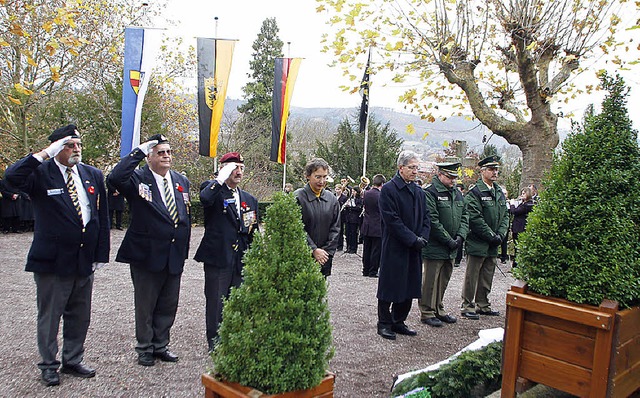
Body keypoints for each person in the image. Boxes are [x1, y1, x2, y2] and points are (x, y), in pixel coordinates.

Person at [4, 124, 110, 386]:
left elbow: (100, 217)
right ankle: (48, 364)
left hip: (83, 258)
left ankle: (73, 359)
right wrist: (42, 155)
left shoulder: (92, 174)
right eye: (70, 145)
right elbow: (10, 179)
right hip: (52, 260)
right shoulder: (41, 173)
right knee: (50, 315)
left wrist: (99, 254)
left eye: (79, 145)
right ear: (56, 147)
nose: (76, 150)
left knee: (80, 315)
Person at [107, 134, 191, 367]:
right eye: (161, 152)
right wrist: (139, 151)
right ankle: (144, 347)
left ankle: (161, 344)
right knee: (146, 304)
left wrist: (183, 249)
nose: (166, 156)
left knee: (168, 304)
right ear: (149, 157)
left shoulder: (181, 180)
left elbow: (185, 215)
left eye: (169, 152)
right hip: (147, 253)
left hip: (173, 254)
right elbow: (115, 177)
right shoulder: (137, 178)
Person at [194, 152, 259, 351]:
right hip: (218, 255)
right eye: (233, 168)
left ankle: (234, 337)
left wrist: (255, 255)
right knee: (216, 301)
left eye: (241, 168)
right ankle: (215, 342)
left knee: (237, 299)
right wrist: (220, 178)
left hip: (240, 258)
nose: (238, 172)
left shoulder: (249, 199)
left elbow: (252, 230)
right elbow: (205, 198)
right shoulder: (212, 190)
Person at [377, 150, 430, 340]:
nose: (416, 171)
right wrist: (412, 239)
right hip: (395, 246)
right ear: (401, 168)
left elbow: (426, 217)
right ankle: (384, 323)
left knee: (409, 286)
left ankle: (399, 321)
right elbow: (392, 221)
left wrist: (423, 236)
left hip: (414, 247)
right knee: (390, 286)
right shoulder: (389, 190)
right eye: (412, 167)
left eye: (417, 167)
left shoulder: (418, 191)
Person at [419, 163, 469, 327]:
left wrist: (460, 236)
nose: (453, 181)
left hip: (452, 246)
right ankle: (427, 311)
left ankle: (438, 308)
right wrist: (448, 239)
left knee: (444, 279)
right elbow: (432, 220)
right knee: (431, 280)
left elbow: (465, 216)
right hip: (436, 245)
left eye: (455, 177)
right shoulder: (430, 192)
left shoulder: (457, 194)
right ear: (440, 175)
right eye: (450, 177)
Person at [460, 155, 509, 319]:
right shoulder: (475, 193)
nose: (495, 172)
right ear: (482, 171)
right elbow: (475, 218)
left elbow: (505, 216)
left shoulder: (499, 192)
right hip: (478, 241)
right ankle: (467, 305)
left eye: (496, 169)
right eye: (491, 169)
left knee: (487, 275)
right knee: (472, 276)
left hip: (493, 242)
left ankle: (483, 304)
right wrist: (490, 235)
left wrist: (501, 235)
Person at [294, 158, 341, 277]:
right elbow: (296, 228)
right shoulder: (298, 197)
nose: (322, 181)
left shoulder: (332, 199)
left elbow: (335, 228)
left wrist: (325, 253)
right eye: (318, 177)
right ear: (308, 176)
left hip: (324, 258)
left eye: (325, 177)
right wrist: (313, 249)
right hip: (302, 258)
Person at [361, 174, 385, 277]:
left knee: (366, 249)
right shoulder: (381, 196)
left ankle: (365, 270)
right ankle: (373, 271)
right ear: (382, 184)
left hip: (366, 225)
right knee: (376, 250)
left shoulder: (366, 193)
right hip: (377, 226)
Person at [508, 186, 535, 268]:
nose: (522, 195)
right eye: (522, 193)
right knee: (516, 247)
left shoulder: (528, 205)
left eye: (524, 193)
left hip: (521, 228)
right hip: (517, 227)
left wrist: (512, 204)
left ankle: (517, 266)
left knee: (519, 247)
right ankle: (515, 265)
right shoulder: (523, 203)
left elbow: (515, 212)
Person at [343, 186, 363, 254]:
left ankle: (353, 248)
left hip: (355, 219)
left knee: (354, 234)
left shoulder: (359, 199)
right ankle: (348, 247)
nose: (353, 192)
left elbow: (359, 208)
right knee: (347, 233)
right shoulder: (349, 198)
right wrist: (346, 206)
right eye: (352, 191)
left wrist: (351, 207)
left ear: (357, 192)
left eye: (354, 191)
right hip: (348, 218)